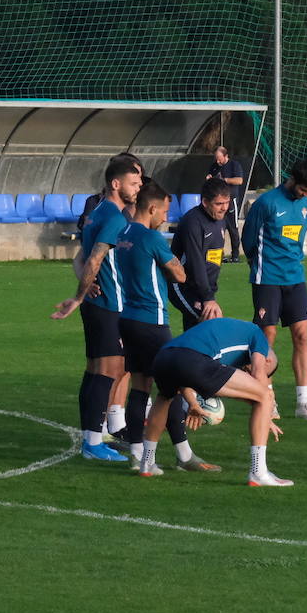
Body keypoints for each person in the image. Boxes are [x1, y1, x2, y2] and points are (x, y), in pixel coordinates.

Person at [113, 179, 221, 476]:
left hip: (128, 318)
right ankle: (181, 455)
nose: (166, 218)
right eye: (164, 212)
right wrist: (172, 265)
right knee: (168, 389)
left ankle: (139, 454)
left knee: (140, 388)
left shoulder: (123, 234)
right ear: (151, 208)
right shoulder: (151, 239)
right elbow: (181, 274)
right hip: (152, 321)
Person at [51, 154, 143, 462]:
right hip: (109, 305)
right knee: (109, 370)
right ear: (116, 184)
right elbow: (93, 260)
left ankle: (92, 437)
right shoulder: (114, 217)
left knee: (95, 371)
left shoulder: (97, 212)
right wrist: (79, 296)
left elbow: (82, 259)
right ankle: (92, 442)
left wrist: (82, 293)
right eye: (134, 182)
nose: (139, 186)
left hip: (98, 303)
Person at [141, 318, 289, 486]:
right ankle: (258, 472)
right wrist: (267, 413)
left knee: (164, 398)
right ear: (267, 360)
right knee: (265, 396)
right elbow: (258, 375)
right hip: (192, 359)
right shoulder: (258, 336)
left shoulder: (228, 335)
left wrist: (193, 403)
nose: (245, 371)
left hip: (164, 357)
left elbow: (184, 371)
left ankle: (146, 464)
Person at [242, 159, 307, 420]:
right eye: (303, 189)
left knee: (302, 335)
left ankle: (303, 403)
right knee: (268, 336)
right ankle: (268, 397)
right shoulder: (266, 203)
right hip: (268, 277)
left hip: (295, 277)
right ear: (292, 180)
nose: (306, 195)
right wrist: (258, 263)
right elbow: (248, 239)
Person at [169, 177, 230, 331]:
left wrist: (210, 292)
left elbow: (214, 259)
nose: (224, 208)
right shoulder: (193, 222)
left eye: (226, 202)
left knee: (194, 335)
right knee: (210, 323)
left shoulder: (220, 219)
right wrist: (208, 298)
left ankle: (186, 354)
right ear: (205, 202)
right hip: (182, 286)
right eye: (219, 204)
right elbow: (195, 262)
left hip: (203, 289)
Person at [206, 145, 246, 262]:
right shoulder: (214, 166)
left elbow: (239, 180)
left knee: (233, 228)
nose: (217, 161)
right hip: (217, 202)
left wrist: (224, 180)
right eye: (216, 158)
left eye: (219, 158)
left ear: (226, 156)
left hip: (231, 201)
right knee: (218, 228)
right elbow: (211, 178)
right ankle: (220, 255)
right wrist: (209, 178)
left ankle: (235, 256)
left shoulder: (234, 165)